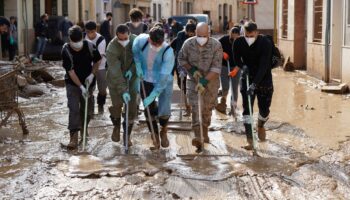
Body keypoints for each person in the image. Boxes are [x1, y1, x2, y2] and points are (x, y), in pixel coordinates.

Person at [178, 22, 223, 150]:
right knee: (196, 107)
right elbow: (181, 59)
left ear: (208, 34)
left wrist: (203, 82)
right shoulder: (188, 44)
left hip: (211, 83)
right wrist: (192, 71)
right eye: (199, 35)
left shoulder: (216, 45)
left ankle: (205, 131)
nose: (201, 38)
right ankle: (198, 136)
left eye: (204, 35)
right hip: (193, 81)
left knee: (207, 109)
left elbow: (216, 68)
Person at [233, 21, 273, 150]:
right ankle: (250, 140)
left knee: (264, 109)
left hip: (264, 79)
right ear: (243, 33)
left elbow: (264, 65)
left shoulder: (265, 43)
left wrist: (255, 85)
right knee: (247, 110)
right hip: (247, 78)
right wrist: (242, 66)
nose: (249, 38)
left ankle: (260, 125)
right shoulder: (238, 42)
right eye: (246, 35)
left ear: (257, 33)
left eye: (252, 36)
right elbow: (236, 58)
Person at [132, 27, 175, 149]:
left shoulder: (168, 52)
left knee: (164, 108)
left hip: (164, 80)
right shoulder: (141, 40)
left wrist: (153, 95)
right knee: (148, 108)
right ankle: (154, 136)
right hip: (145, 77)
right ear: (149, 38)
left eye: (158, 43)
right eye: (153, 43)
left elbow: (164, 78)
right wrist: (138, 65)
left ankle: (164, 130)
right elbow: (135, 50)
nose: (156, 45)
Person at [61, 25, 102, 150]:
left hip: (88, 82)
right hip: (72, 83)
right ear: (70, 40)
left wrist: (92, 74)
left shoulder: (90, 46)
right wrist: (81, 87)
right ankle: (74, 136)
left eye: (78, 41)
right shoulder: (66, 50)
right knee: (73, 108)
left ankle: (84, 130)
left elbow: (98, 61)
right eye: (74, 42)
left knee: (88, 109)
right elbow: (71, 72)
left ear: (82, 38)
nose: (76, 44)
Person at [106, 24, 138, 146]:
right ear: (116, 37)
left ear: (129, 35)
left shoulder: (135, 41)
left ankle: (127, 135)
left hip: (132, 78)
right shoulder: (111, 48)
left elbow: (139, 59)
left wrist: (133, 69)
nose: (124, 41)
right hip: (115, 80)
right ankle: (116, 126)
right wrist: (123, 90)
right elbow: (115, 72)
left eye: (126, 39)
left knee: (131, 107)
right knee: (117, 105)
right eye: (121, 39)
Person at [170, 22, 196, 116]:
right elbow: (171, 46)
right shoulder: (180, 37)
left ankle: (190, 107)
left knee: (191, 85)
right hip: (180, 63)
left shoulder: (197, 38)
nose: (191, 35)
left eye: (193, 33)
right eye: (190, 33)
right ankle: (187, 106)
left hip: (192, 64)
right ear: (186, 31)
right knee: (182, 85)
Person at [216, 27, 241, 114]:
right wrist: (222, 53)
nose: (234, 39)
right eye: (232, 37)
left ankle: (233, 108)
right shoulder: (224, 40)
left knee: (234, 89)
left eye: (236, 37)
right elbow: (215, 47)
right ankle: (223, 103)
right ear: (230, 34)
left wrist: (237, 68)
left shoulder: (242, 41)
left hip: (236, 67)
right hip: (224, 67)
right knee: (225, 87)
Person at [85, 21, 108, 114]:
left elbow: (99, 58)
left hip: (101, 66)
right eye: (88, 32)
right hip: (88, 66)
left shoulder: (101, 39)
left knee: (102, 89)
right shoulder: (83, 38)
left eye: (92, 32)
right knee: (89, 89)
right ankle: (91, 110)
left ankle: (101, 105)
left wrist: (93, 72)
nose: (90, 34)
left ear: (96, 30)